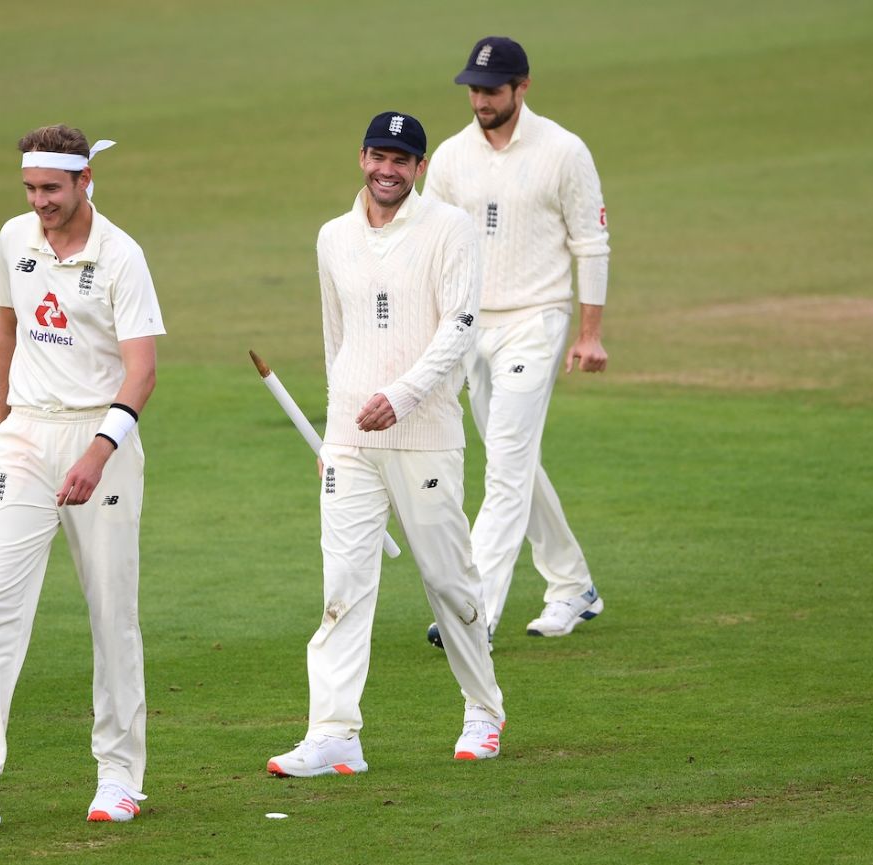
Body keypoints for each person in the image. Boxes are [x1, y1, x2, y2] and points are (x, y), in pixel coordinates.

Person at [0, 124, 165, 827]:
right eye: (30, 188)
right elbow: (6, 331)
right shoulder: (13, 239)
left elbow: (142, 372)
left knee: (112, 614)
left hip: (99, 437)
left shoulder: (121, 255)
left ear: (86, 181)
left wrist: (97, 452)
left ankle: (119, 777)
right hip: (25, 435)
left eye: (51, 188)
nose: (39, 201)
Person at [267, 111, 505, 778]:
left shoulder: (449, 230)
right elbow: (334, 339)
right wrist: (332, 427)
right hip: (349, 443)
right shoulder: (333, 238)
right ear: (362, 157)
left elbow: (459, 327)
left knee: (447, 578)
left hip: (423, 436)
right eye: (378, 154)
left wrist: (400, 395)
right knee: (342, 585)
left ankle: (483, 710)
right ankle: (334, 732)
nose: (388, 168)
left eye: (402, 159)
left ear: (420, 167)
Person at [424, 36, 611, 641]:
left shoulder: (564, 151)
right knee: (515, 460)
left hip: (538, 319)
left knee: (504, 464)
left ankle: (471, 610)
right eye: (474, 90)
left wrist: (590, 334)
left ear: (522, 87)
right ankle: (572, 584)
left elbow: (591, 243)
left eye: (492, 90)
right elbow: (428, 245)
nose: (480, 100)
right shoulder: (451, 157)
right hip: (470, 324)